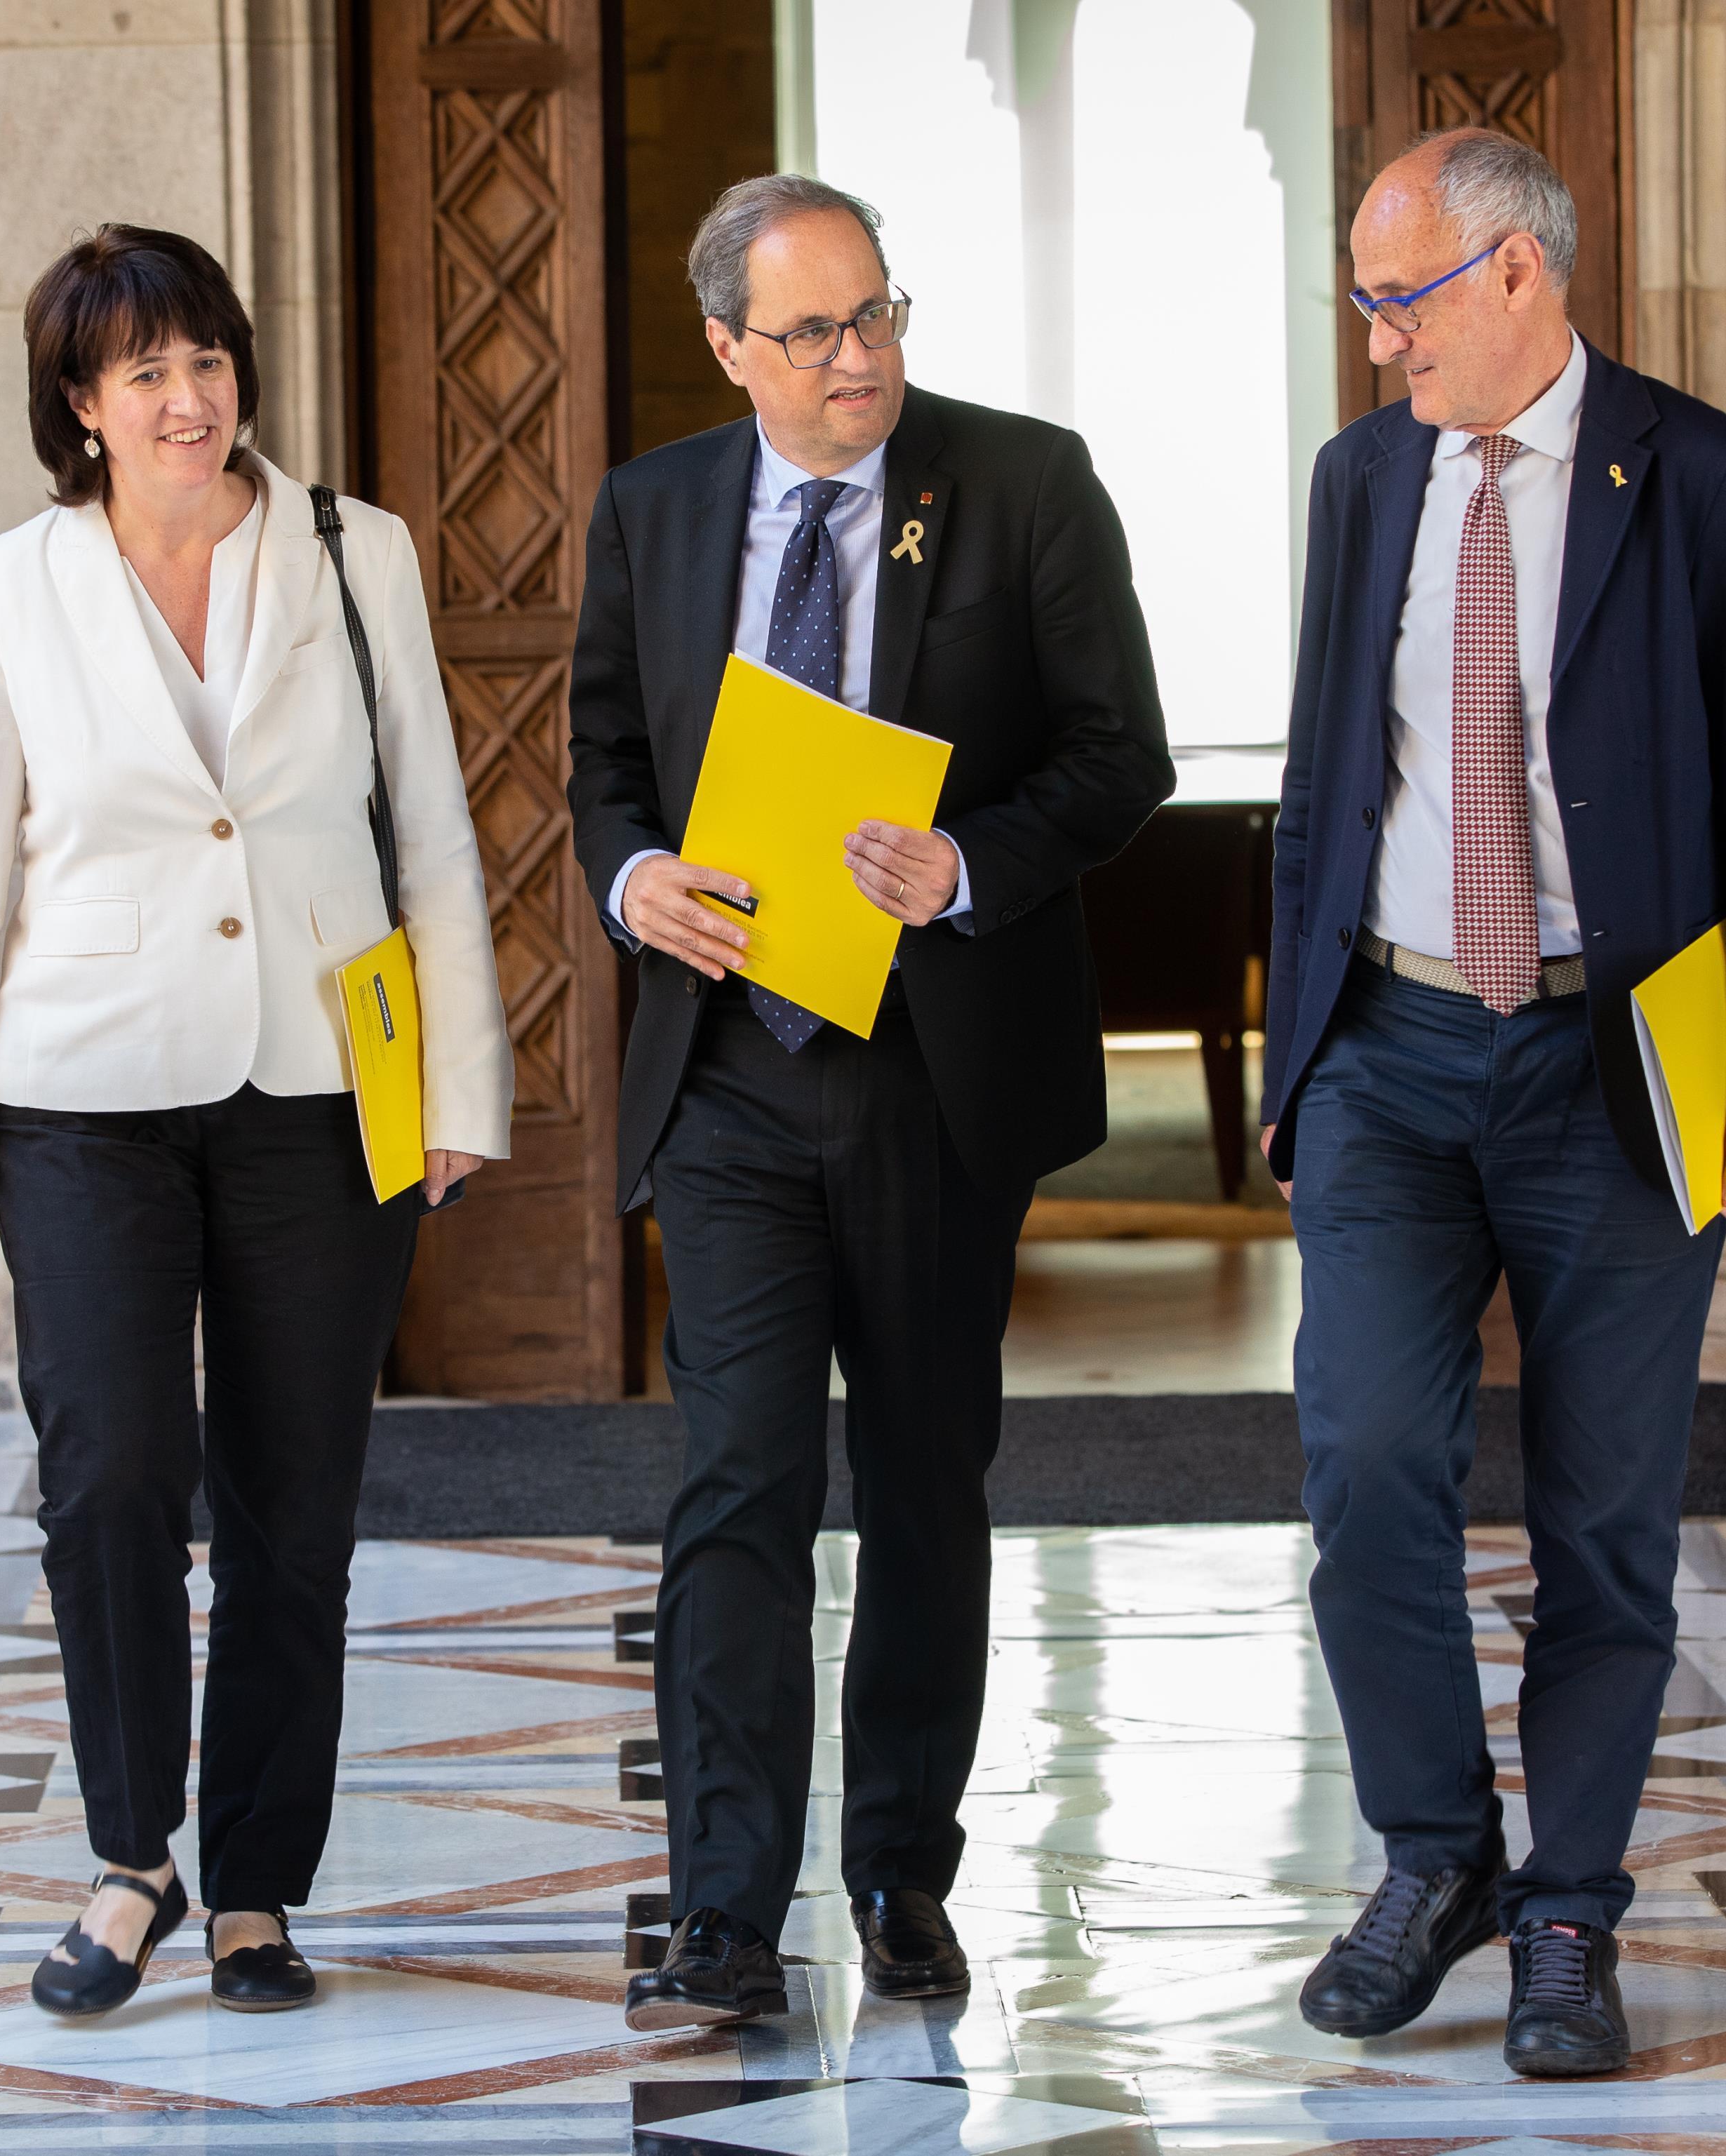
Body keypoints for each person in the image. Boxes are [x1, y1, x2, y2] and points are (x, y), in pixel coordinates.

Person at [0, 224, 512, 2021]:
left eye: (210, 357)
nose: (190, 396)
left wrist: (455, 1084)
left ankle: (258, 1892)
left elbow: (433, 830)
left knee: (296, 1507)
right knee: (111, 1484)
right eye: (145, 370)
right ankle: (130, 1858)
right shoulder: (16, 584)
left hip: (319, 1087)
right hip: (78, 1095)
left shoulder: (348, 546)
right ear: (79, 406)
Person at [568, 175, 1171, 2029]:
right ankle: (723, 1914)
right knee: (738, 1483)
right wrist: (631, 876)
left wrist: (968, 866)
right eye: (819, 331)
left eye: (880, 313)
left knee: (922, 1485)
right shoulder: (657, 508)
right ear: (729, 347)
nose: (864, 359)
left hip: (931, 1077)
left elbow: (1119, 756)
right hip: (730, 1074)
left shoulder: (1021, 482)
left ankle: (903, 1873)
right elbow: (601, 756)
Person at [1259, 131, 1726, 2075]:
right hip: (1389, 1055)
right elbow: (1323, 780)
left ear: (1516, 274)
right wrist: (1291, 1068)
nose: (1372, 343)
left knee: (1603, 1519)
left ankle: (1570, 1914)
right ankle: (1438, 1857)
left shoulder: (1691, 472)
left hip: (1617, 1065)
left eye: (1396, 298)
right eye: (1362, 299)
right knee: (1364, 1479)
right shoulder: (1360, 482)